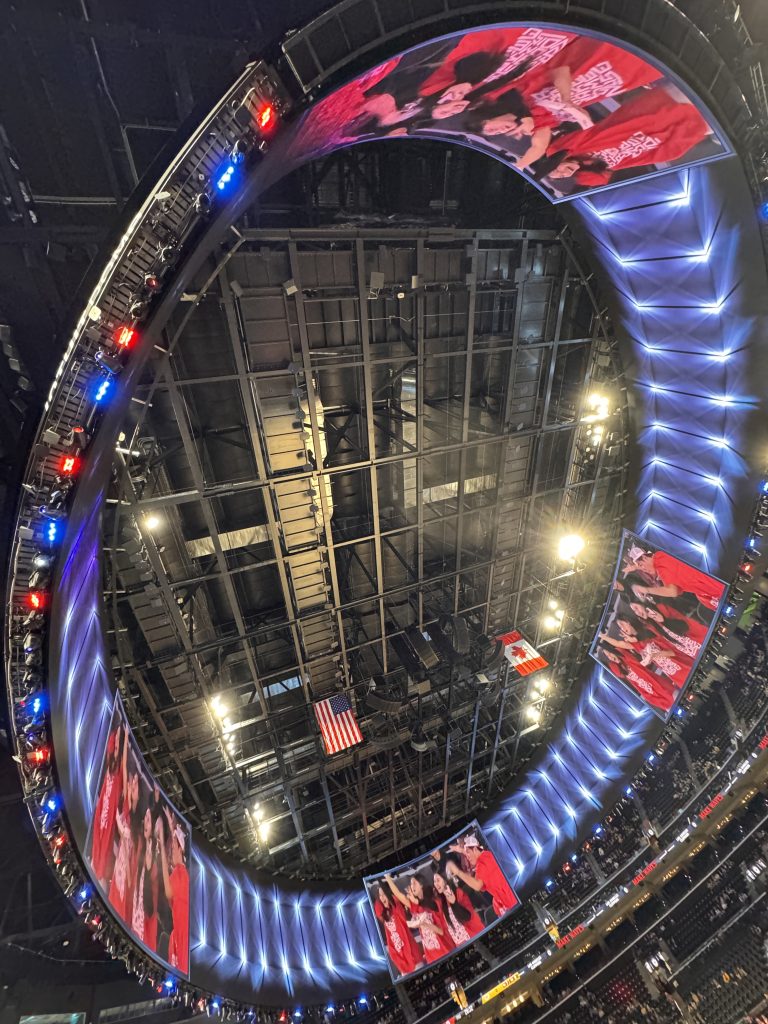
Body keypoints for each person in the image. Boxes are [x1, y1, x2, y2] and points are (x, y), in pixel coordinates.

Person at [529, 86, 713, 190]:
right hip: (674, 135)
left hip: (661, 110)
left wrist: (530, 164)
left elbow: (554, 150)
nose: (563, 174)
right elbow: (595, 183)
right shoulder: (589, 172)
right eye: (561, 177)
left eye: (556, 169)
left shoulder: (573, 146)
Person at [624, 544, 724, 613]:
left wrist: (646, 590)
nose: (644, 570)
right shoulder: (661, 565)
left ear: (645, 558)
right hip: (711, 589)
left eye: (641, 565)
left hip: (716, 585)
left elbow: (673, 591)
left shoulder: (660, 558)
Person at [385, 872, 454, 963]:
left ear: (421, 884)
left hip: (444, 949)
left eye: (414, 883)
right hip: (431, 955)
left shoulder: (434, 901)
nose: (412, 886)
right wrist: (387, 878)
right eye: (411, 884)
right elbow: (398, 894)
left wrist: (424, 924)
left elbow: (441, 931)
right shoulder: (414, 905)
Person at [445, 835, 518, 917]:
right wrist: (461, 850)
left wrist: (458, 872)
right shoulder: (487, 855)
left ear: (475, 849)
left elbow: (477, 886)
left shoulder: (481, 864)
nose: (467, 857)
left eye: (468, 852)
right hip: (512, 897)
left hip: (510, 904)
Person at [107, 744, 140, 923]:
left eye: (136, 784)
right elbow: (125, 769)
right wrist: (126, 739)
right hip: (120, 866)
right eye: (131, 783)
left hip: (127, 871)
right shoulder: (126, 807)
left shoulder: (138, 819)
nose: (132, 785)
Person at [597, 644, 677, 714]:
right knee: (665, 704)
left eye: (609, 653)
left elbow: (633, 661)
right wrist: (616, 661)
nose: (610, 657)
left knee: (671, 694)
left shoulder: (622, 653)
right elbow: (619, 674)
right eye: (608, 656)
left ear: (612, 650)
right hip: (645, 689)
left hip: (651, 679)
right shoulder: (614, 666)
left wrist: (618, 656)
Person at [90, 723, 123, 887]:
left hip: (110, 809)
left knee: (105, 840)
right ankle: (96, 865)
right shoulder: (111, 763)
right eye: (115, 746)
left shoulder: (120, 769)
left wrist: (121, 738)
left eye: (118, 747)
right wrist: (116, 734)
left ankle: (100, 870)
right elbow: (110, 745)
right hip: (104, 803)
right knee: (98, 834)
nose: (115, 749)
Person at [158, 815, 189, 975]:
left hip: (186, 933)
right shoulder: (177, 873)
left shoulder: (186, 873)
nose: (172, 852)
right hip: (179, 934)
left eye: (174, 848)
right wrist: (163, 850)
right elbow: (169, 892)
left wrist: (172, 830)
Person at [372, 880, 423, 976]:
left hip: (412, 956)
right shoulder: (384, 914)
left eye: (384, 894)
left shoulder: (397, 907)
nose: (382, 897)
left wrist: (384, 882)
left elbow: (395, 896)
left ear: (389, 894)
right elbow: (377, 906)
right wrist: (380, 887)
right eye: (380, 895)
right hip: (401, 961)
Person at [132, 802, 159, 951]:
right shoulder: (142, 847)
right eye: (145, 819)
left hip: (148, 916)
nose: (145, 822)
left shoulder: (156, 852)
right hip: (137, 913)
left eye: (149, 820)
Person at [432, 869, 484, 945]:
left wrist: (454, 903)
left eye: (438, 880)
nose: (436, 884)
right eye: (434, 881)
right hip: (459, 943)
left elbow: (468, 917)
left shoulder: (458, 892)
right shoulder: (441, 902)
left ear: (445, 880)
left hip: (474, 937)